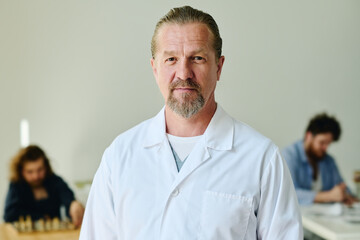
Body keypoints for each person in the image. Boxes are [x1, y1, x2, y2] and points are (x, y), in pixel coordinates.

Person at [80, 6, 302, 239]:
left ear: (218, 67)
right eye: (171, 59)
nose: (183, 73)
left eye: (197, 58)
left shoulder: (262, 158)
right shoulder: (119, 156)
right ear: (155, 68)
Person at [282, 113, 358, 205]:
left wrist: (346, 196)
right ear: (309, 136)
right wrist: (329, 196)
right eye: (322, 143)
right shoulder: (289, 156)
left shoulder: (328, 160)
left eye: (328, 144)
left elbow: (342, 187)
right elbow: (288, 193)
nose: (325, 148)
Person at [3, 145, 84, 227]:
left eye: (40, 170)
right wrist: (41, 217)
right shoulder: (16, 185)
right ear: (21, 171)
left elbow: (68, 198)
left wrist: (74, 204)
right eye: (30, 172)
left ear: (46, 167)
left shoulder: (55, 181)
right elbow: (9, 215)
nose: (36, 176)